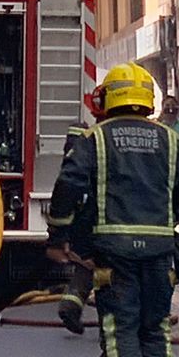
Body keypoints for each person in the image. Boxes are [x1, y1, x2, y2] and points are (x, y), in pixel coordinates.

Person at [47, 63, 179, 357]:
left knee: (121, 330)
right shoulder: (168, 139)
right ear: (146, 99)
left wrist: (58, 238)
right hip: (160, 253)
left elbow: (68, 185)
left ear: (109, 96)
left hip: (113, 252)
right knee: (155, 328)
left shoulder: (96, 139)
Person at [57, 85, 109, 335]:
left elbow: (66, 191)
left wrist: (60, 234)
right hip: (102, 223)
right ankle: (106, 320)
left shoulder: (74, 155)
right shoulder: (97, 148)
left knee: (84, 268)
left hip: (81, 224)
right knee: (103, 272)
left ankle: (71, 304)